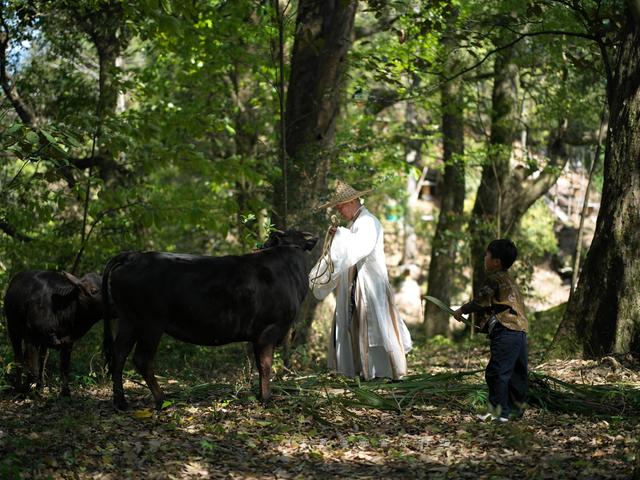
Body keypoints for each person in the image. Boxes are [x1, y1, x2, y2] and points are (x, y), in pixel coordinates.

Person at [309, 180, 412, 380]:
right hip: (355, 285)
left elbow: (359, 248)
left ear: (353, 201)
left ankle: (385, 373)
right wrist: (338, 235)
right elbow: (346, 249)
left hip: (370, 285)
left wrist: (340, 235)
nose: (339, 211)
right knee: (357, 326)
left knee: (377, 328)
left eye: (341, 206)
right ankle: (364, 371)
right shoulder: (354, 223)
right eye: (337, 208)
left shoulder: (367, 221)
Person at [453, 239, 528, 422]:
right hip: (520, 331)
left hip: (506, 330)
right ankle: (514, 410)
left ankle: (499, 413)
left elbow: (481, 300)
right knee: (516, 372)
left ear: (496, 261)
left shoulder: (494, 278)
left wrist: (461, 310)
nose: (484, 258)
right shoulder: (510, 279)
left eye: (487, 255)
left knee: (497, 372)